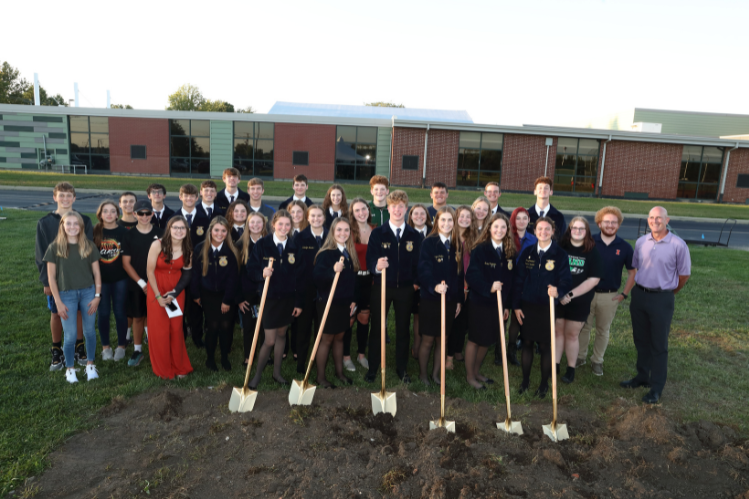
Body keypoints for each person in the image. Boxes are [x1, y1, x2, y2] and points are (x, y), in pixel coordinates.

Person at [622, 206, 690, 404]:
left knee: (658, 344)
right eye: (651, 218)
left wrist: (668, 292)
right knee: (640, 340)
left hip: (662, 298)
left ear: (667, 220)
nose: (655, 221)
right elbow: (636, 267)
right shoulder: (641, 241)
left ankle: (656, 386)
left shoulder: (678, 245)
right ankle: (642, 376)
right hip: (640, 295)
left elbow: (684, 275)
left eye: (659, 218)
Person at [364, 190, 421, 384]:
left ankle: (401, 368)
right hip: (382, 286)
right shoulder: (378, 233)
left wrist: (415, 284)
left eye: (401, 207)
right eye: (393, 206)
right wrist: (376, 267)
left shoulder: (414, 235)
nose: (397, 210)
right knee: (378, 327)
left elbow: (419, 264)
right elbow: (370, 258)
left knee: (403, 328)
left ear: (406, 209)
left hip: (405, 289)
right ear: (388, 208)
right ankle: (373, 368)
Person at [36, 182, 94, 370]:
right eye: (61, 195)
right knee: (56, 312)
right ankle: (56, 348)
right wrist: (46, 280)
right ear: (55, 197)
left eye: (69, 195)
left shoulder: (83, 219)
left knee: (77, 311)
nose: (65, 199)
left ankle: (79, 345)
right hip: (57, 279)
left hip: (80, 278)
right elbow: (41, 253)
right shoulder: (45, 222)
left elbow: (89, 249)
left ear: (75, 198)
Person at [513, 217, 572, 398]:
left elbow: (566, 280)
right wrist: (516, 305)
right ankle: (525, 381)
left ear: (553, 231)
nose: (543, 232)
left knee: (546, 346)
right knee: (527, 344)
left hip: (547, 308)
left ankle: (544, 383)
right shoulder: (528, 252)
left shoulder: (559, 254)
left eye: (547, 229)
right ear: (535, 231)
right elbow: (518, 280)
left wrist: (559, 291)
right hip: (528, 306)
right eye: (540, 229)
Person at [247, 210, 305, 389]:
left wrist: (298, 302)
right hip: (269, 298)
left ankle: (277, 373)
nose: (284, 228)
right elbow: (250, 269)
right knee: (270, 339)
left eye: (288, 225)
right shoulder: (263, 245)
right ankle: (257, 375)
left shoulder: (295, 246)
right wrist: (261, 273)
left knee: (282, 335)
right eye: (280, 224)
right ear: (273, 225)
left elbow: (301, 277)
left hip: (288, 298)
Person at [577, 207, 636, 377]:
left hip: (609, 296)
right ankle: (580, 356)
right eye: (606, 222)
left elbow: (632, 272)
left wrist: (624, 293)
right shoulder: (589, 241)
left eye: (614, 222)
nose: (610, 225)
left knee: (603, 329)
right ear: (599, 223)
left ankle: (597, 360)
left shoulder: (624, 247)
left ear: (618, 225)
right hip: (587, 293)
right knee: (584, 327)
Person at [44, 211, 102, 383]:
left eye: (76, 224)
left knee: (89, 331)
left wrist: (97, 296)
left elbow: (97, 273)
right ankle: (70, 368)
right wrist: (58, 302)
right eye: (68, 223)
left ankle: (90, 365)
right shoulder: (54, 248)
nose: (72, 227)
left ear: (81, 227)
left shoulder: (89, 245)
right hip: (65, 295)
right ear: (62, 226)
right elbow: (52, 278)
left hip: (88, 293)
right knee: (69, 335)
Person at [465, 213, 515, 389]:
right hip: (480, 302)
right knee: (475, 339)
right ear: (489, 229)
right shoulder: (480, 249)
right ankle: (470, 376)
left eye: (503, 227)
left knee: (487, 339)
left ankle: (477, 371)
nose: (499, 230)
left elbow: (510, 282)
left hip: (499, 305)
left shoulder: (509, 252)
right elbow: (471, 276)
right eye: (496, 227)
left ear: (507, 230)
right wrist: (489, 287)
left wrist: (507, 305)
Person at [417, 207, 464, 386]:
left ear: (454, 223)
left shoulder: (456, 243)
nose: (446, 224)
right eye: (442, 220)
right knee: (428, 338)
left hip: (450, 300)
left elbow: (460, 275)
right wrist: (433, 286)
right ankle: (423, 375)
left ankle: (436, 375)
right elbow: (423, 270)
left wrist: (459, 299)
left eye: (450, 220)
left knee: (442, 339)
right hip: (431, 298)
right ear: (437, 222)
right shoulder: (429, 243)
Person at [555, 217, 603, 384]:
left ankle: (571, 369)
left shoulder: (592, 251)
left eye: (581, 229)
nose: (577, 231)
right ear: (569, 229)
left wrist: (570, 295)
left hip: (578, 300)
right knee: (557, 332)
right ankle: (555, 365)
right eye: (574, 228)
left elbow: (594, 279)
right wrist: (560, 294)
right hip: (558, 299)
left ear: (586, 232)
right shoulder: (561, 247)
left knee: (572, 335)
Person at [313, 217, 359, 387]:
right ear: (332, 232)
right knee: (326, 339)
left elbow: (352, 280)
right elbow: (317, 277)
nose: (343, 233)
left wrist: (353, 299)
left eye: (346, 230)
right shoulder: (326, 253)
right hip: (328, 302)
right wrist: (332, 271)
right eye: (339, 230)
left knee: (340, 338)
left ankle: (340, 373)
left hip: (343, 302)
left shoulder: (349, 253)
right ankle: (320, 376)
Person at [145, 216, 193, 379]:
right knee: (160, 330)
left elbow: (187, 275)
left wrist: (174, 293)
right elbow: (149, 272)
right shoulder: (157, 245)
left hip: (176, 292)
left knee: (176, 328)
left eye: (182, 228)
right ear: (169, 229)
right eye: (175, 228)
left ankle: (179, 366)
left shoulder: (188, 249)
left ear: (186, 231)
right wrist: (158, 296)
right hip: (156, 288)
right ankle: (163, 369)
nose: (179, 231)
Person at [192, 217, 239, 372]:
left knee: (225, 327)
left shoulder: (231, 251)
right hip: (208, 295)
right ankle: (210, 359)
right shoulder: (200, 249)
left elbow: (233, 279)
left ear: (228, 232)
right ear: (210, 231)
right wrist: (196, 294)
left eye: (223, 231)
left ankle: (224, 358)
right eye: (216, 230)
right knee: (212, 326)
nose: (220, 234)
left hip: (226, 295)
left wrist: (227, 300)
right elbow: (195, 275)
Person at [122, 200, 162, 367]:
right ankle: (138, 350)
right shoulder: (128, 235)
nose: (144, 216)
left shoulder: (161, 233)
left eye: (148, 213)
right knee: (138, 317)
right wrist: (141, 283)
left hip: (157, 283)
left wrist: (153, 283)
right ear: (135, 214)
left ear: (152, 214)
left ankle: (158, 349)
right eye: (141, 213)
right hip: (137, 284)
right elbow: (126, 263)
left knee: (158, 317)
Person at [495, 207, 537, 367]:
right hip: (506, 283)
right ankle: (499, 352)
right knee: (502, 318)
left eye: (524, 218)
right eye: (518, 218)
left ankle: (511, 351)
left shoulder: (534, 239)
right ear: (513, 220)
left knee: (516, 320)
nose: (521, 221)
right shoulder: (506, 237)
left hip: (524, 284)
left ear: (528, 221)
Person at [172, 183, 210, 348]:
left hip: (197, 268)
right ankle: (178, 334)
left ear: (197, 198)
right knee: (178, 301)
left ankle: (196, 335)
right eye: (185, 195)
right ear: (180, 197)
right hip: (177, 268)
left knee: (195, 302)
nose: (189, 198)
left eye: (192, 196)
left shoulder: (204, 218)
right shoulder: (173, 218)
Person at [93, 200, 130, 362]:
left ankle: (121, 346)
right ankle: (106, 347)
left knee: (120, 311)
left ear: (117, 213)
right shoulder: (95, 231)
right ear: (100, 214)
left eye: (112, 211)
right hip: (101, 280)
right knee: (104, 312)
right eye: (105, 211)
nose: (109, 214)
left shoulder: (124, 232)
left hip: (120, 279)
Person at [292, 205, 327, 373]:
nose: (316, 219)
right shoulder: (300, 238)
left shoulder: (331, 236)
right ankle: (301, 363)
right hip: (306, 292)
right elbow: (297, 269)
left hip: (325, 292)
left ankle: (317, 363)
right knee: (303, 329)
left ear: (324, 218)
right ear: (307, 218)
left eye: (319, 216)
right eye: (312, 216)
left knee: (321, 330)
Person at [446, 205, 479, 368]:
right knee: (454, 320)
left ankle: (457, 349)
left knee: (464, 322)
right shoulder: (449, 237)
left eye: (468, 217)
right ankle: (449, 357)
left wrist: (468, 285)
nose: (465, 219)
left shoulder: (475, 238)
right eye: (461, 216)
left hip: (470, 284)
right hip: (453, 284)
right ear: (455, 217)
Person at [236, 211, 268, 367]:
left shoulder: (270, 243)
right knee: (248, 325)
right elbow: (235, 274)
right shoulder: (240, 245)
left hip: (266, 292)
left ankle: (265, 355)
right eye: (252, 222)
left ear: (264, 224)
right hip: (246, 293)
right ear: (248, 225)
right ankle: (248, 356)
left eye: (259, 222)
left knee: (264, 325)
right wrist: (239, 298)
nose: (256, 225)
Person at [347, 197, 374, 370]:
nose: (361, 213)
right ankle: (346, 356)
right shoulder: (348, 231)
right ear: (352, 213)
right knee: (349, 319)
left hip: (370, 280)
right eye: (357, 210)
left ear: (368, 210)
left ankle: (361, 354)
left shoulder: (376, 230)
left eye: (364, 209)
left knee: (364, 318)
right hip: (352, 279)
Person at [407, 203, 433, 359]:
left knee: (422, 315)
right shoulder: (407, 234)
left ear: (427, 216)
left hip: (428, 283)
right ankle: (415, 346)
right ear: (410, 216)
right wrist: (414, 282)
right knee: (413, 314)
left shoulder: (433, 233)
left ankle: (421, 346)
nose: (419, 216)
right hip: (411, 284)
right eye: (415, 213)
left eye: (422, 214)